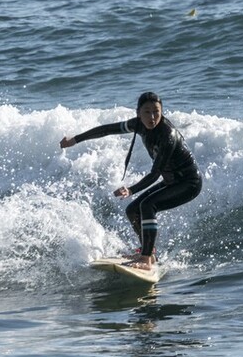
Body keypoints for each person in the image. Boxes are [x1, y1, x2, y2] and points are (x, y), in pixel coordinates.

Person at [60, 92, 201, 269]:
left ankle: (145, 259)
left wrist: (131, 190)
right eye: (147, 112)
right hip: (171, 180)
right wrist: (75, 139)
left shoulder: (167, 135)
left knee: (148, 206)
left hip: (189, 183)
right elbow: (107, 130)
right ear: (138, 113)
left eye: (156, 112)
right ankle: (149, 253)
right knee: (132, 210)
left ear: (162, 112)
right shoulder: (137, 125)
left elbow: (155, 174)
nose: (152, 117)